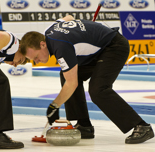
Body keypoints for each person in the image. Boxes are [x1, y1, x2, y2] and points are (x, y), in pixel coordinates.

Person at [19, 15, 154, 144]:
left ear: (42, 44)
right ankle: (84, 125)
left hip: (114, 47)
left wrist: (54, 106)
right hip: (98, 50)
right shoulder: (48, 31)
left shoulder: (60, 46)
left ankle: (141, 126)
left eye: (36, 57)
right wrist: (83, 31)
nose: (37, 61)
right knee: (66, 74)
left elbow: (72, 84)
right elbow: (69, 18)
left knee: (98, 90)